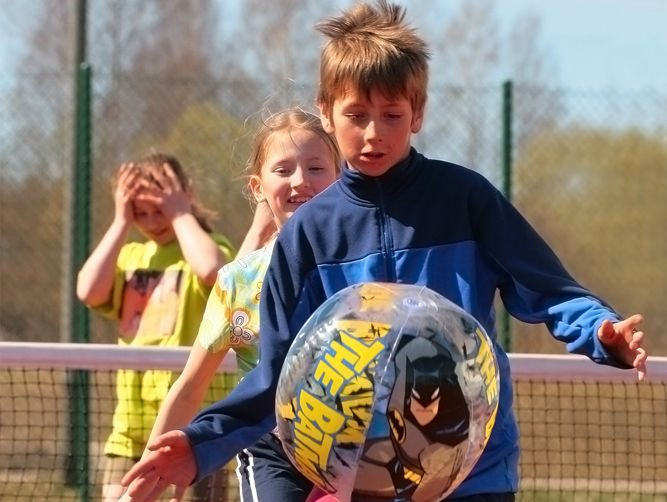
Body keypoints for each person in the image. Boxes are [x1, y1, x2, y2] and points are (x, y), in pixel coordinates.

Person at [121, 2, 648, 502]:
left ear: (417, 113)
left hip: (472, 471)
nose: (374, 134)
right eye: (357, 115)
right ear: (326, 114)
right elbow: (275, 378)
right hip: (361, 473)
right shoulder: (308, 235)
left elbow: (548, 289)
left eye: (392, 115)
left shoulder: (465, 200)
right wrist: (198, 445)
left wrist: (602, 332)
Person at [119, 108, 341, 502]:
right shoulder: (237, 282)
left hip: (355, 443)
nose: (300, 180)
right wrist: (148, 477)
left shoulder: (364, 264)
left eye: (316, 167)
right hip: (272, 449)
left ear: (340, 177)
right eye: (283, 169)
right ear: (258, 187)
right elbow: (190, 387)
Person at [76, 152, 236, 502]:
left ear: (186, 194)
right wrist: (120, 221)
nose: (151, 220)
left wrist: (181, 213)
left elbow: (211, 270)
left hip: (196, 426)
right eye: (140, 211)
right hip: (131, 427)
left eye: (160, 208)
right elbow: (87, 290)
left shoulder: (209, 247)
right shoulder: (129, 256)